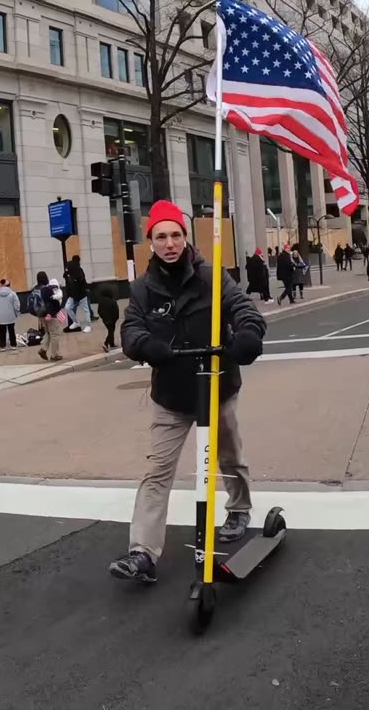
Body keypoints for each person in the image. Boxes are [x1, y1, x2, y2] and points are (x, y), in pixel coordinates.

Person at [109, 200, 266, 583]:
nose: (169, 243)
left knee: (229, 455)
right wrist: (146, 346)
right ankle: (142, 552)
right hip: (172, 394)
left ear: (185, 238)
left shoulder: (213, 277)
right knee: (157, 472)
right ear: (151, 243)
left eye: (175, 234)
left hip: (216, 383)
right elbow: (130, 331)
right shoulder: (143, 290)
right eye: (161, 236)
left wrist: (248, 334)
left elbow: (243, 309)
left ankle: (240, 506)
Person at [36, 274, 64, 362]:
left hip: (43, 314)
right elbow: (55, 304)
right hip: (52, 316)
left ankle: (43, 349)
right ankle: (54, 355)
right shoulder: (53, 291)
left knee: (48, 333)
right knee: (55, 334)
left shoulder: (39, 290)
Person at [62, 255, 92, 333]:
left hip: (80, 295)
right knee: (68, 308)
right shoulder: (73, 270)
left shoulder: (78, 271)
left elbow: (81, 280)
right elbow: (66, 276)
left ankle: (88, 325)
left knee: (86, 310)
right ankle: (76, 322)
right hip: (74, 295)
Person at [0, 279, 20, 351]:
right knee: (11, 330)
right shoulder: (12, 293)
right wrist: (16, 312)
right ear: (9, 285)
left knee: (2, 331)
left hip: (0, 315)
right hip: (11, 315)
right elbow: (17, 304)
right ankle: (13, 345)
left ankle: (2, 346)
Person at [94, 284, 120, 352]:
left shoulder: (101, 302)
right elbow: (116, 311)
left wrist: (103, 317)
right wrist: (115, 318)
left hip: (105, 320)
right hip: (112, 319)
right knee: (111, 331)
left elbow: (99, 311)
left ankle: (112, 343)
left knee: (110, 331)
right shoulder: (112, 301)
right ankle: (106, 343)